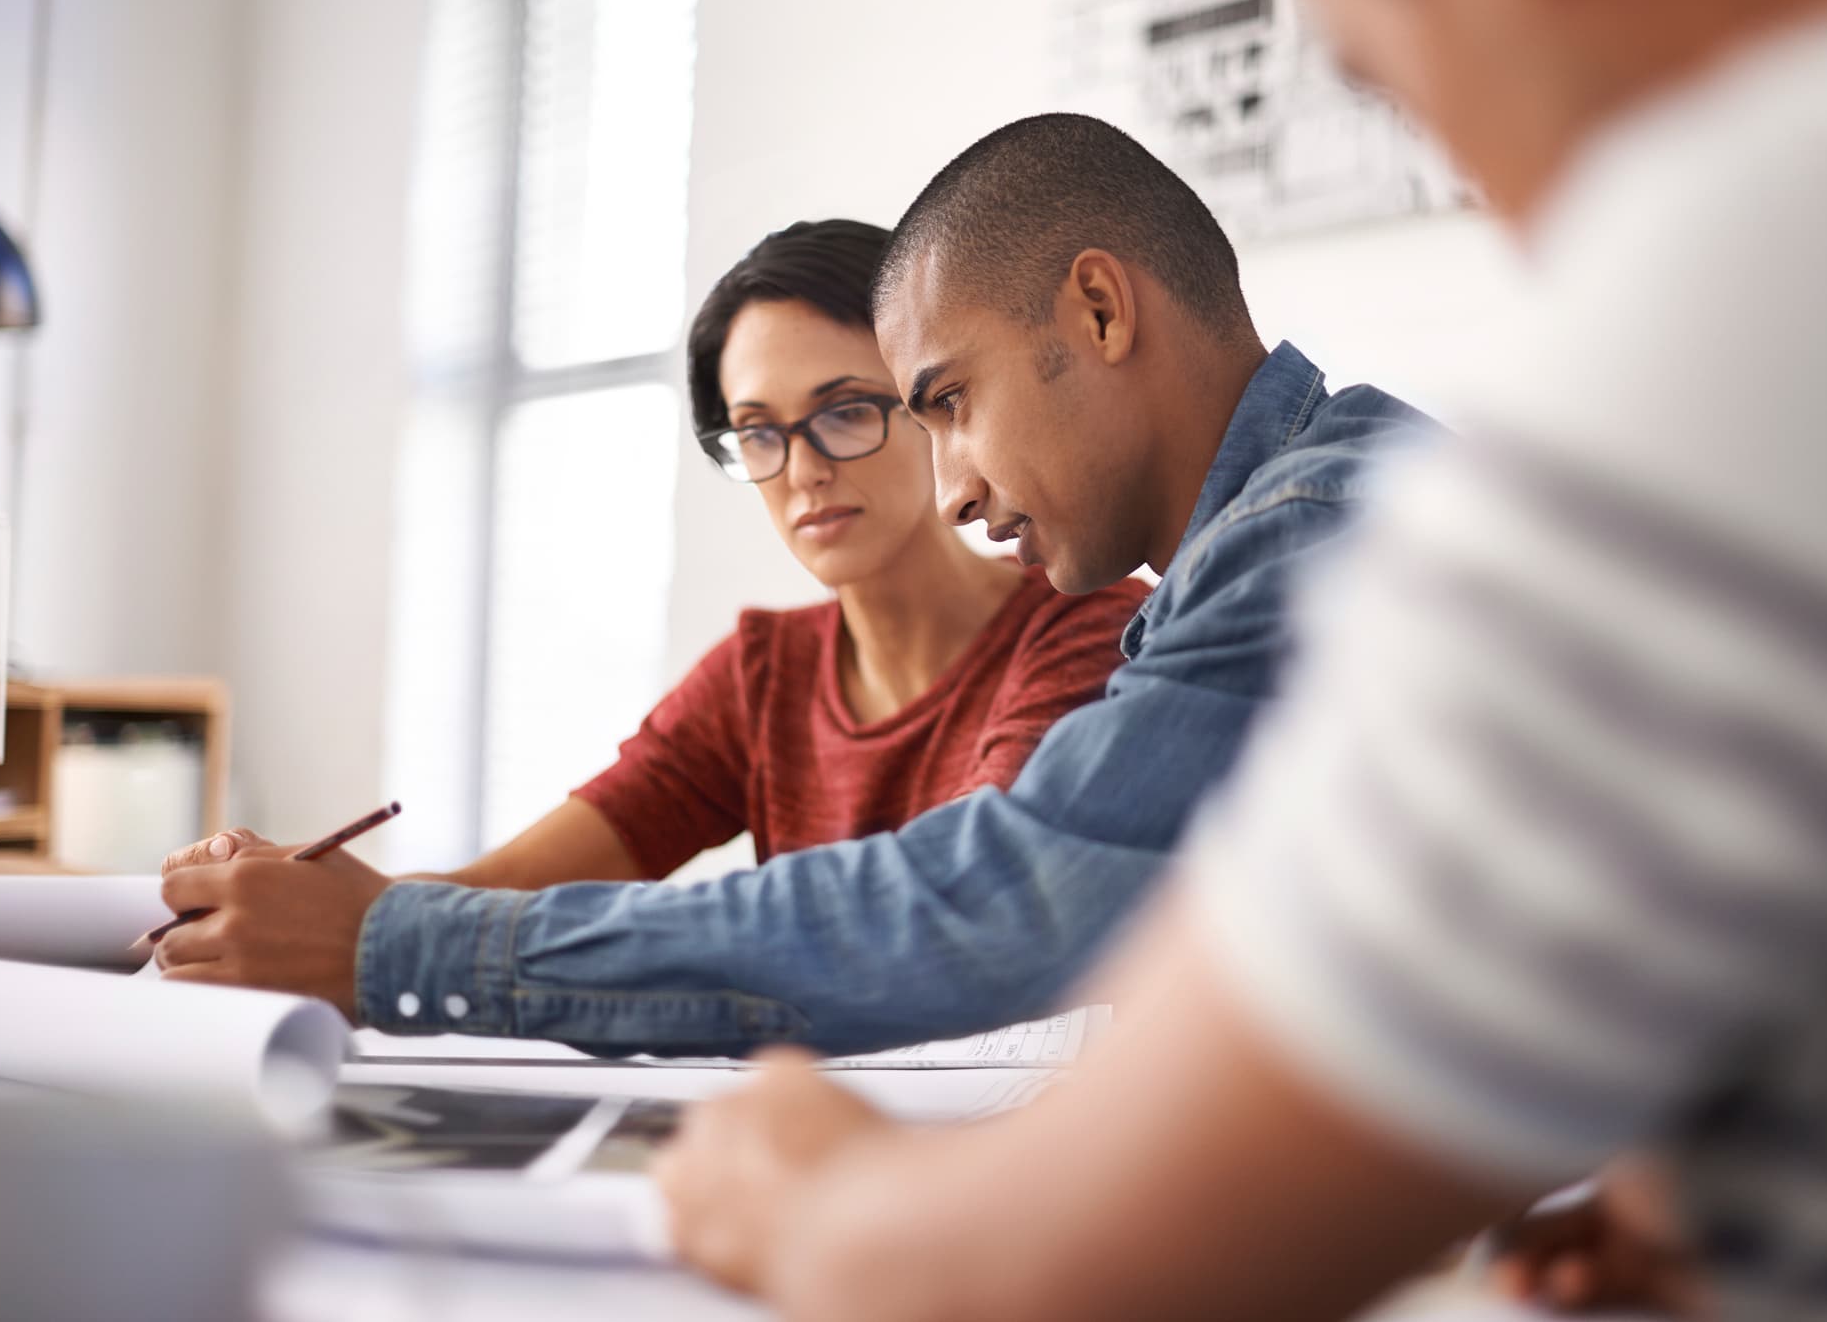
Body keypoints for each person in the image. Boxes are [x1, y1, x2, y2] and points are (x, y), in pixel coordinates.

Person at [652, 0, 1827, 1319]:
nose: (1474, 188)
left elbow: (1039, 1257)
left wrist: (812, 1204)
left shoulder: (1812, 235)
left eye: (1380, 76)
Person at [153, 115, 1432, 1056]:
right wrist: (323, 916)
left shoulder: (1309, 536)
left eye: (940, 403)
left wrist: (391, 947)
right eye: (753, 432)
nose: (949, 490)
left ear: (1098, 310)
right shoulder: (1281, 535)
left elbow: (996, 906)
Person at [166, 218, 1145, 896]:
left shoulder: (1089, 630)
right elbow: (499, 892)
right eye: (756, 431)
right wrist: (322, 893)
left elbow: (934, 907)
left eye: (843, 412)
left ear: (933, 400)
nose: (799, 469)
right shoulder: (763, 677)